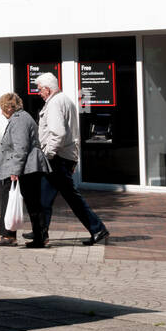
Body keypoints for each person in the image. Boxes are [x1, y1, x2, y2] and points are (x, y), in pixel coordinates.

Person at [35, 72, 109, 246]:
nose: (39, 93)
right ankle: (40, 231)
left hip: (57, 158)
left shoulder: (54, 104)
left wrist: (49, 154)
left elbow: (58, 133)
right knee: (46, 196)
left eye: (39, 89)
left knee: (68, 197)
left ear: (47, 88)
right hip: (65, 157)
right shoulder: (66, 100)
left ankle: (97, 228)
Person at [0, 92, 50, 247]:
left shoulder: (19, 121)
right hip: (28, 167)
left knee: (31, 202)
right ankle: (38, 236)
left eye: (2, 108)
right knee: (32, 202)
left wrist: (15, 171)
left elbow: (21, 148)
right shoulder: (21, 118)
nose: (2, 112)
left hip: (26, 168)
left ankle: (17, 236)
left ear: (9, 108)